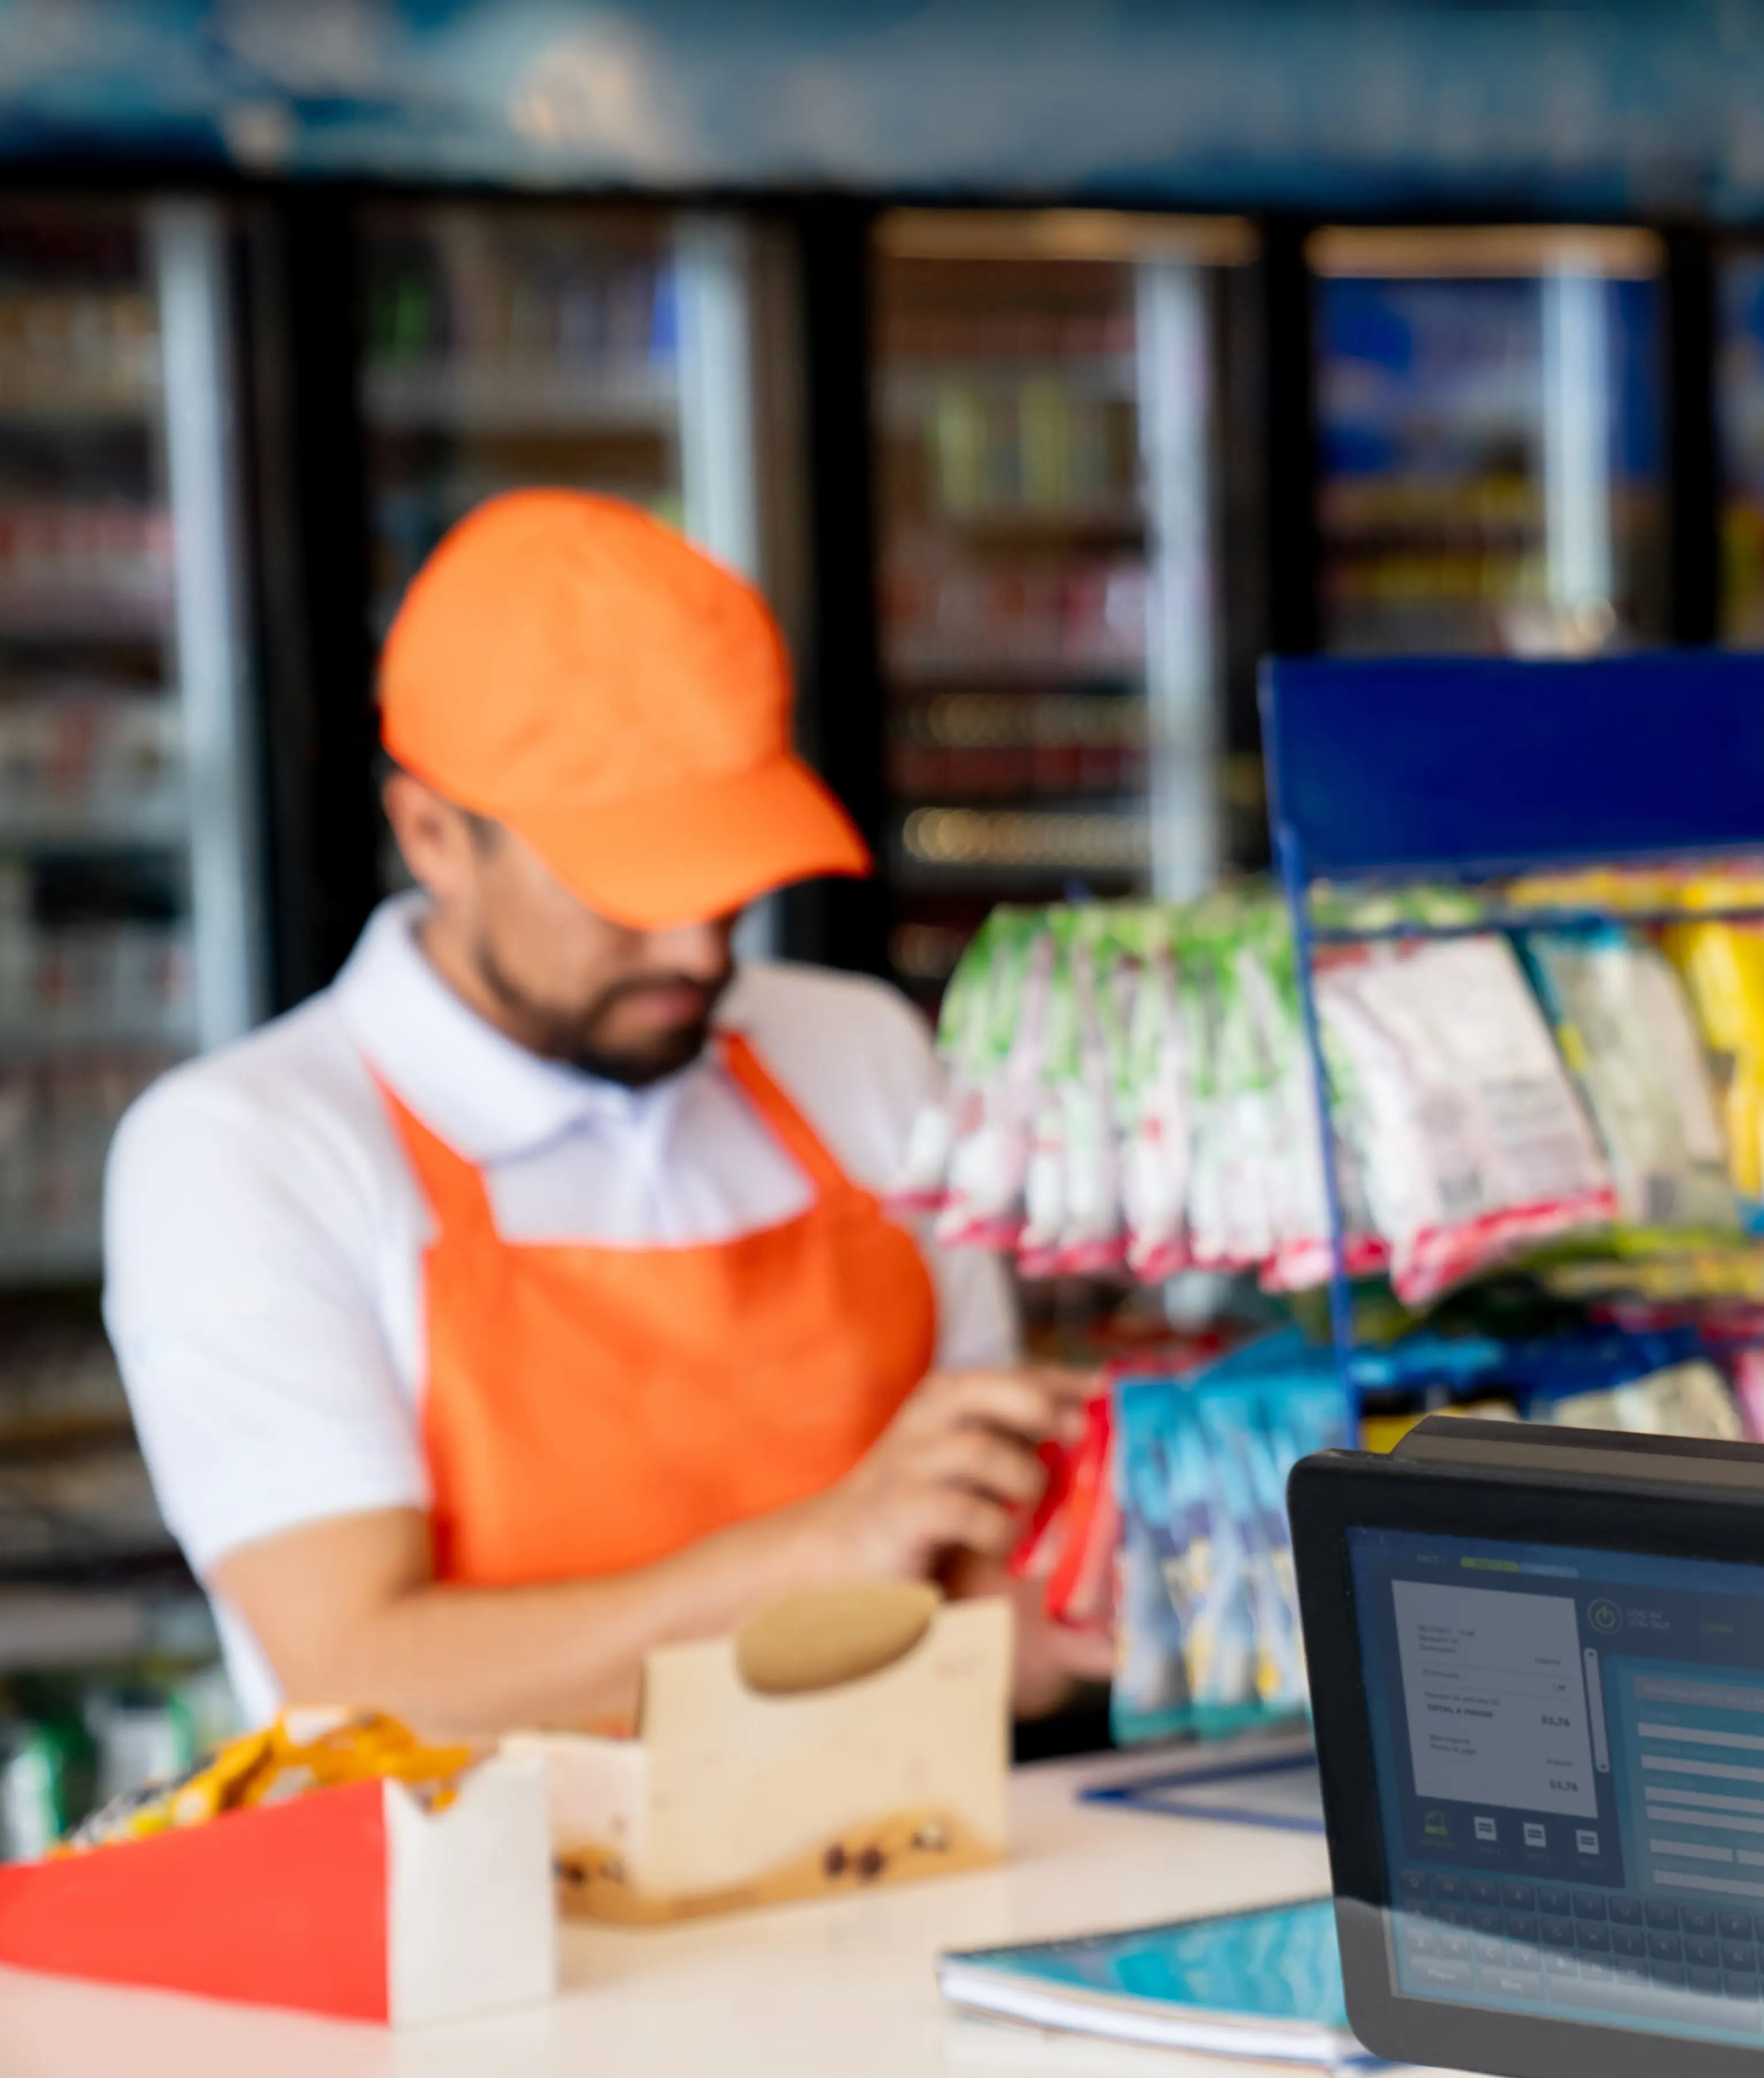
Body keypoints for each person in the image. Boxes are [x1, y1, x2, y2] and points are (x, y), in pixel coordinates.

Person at [106, 487, 1112, 1735]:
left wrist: (1078, 1603)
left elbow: (962, 1579)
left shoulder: (855, 1053)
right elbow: (358, 1672)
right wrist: (816, 1554)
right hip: (491, 1918)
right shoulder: (246, 1151)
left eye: (726, 872)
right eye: (628, 889)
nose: (698, 947)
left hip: (900, 1863)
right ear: (431, 832)